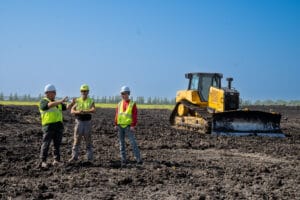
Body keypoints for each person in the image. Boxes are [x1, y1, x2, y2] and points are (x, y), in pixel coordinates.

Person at [39, 84, 74, 168]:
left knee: (57, 145)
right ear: (47, 93)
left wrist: (72, 103)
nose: (54, 94)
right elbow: (48, 105)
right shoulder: (43, 101)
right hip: (48, 126)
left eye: (54, 92)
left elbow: (66, 107)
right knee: (46, 144)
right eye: (53, 92)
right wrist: (61, 101)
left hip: (58, 126)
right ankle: (43, 161)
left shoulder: (57, 103)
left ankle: (56, 161)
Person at [114, 86, 142, 166]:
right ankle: (123, 159)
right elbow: (117, 114)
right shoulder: (119, 104)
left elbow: (134, 115)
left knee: (133, 143)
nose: (123, 95)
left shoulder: (132, 104)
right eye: (122, 94)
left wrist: (133, 125)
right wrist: (115, 124)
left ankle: (138, 159)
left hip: (128, 127)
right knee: (121, 144)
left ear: (128, 94)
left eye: (125, 93)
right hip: (120, 126)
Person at [69, 84, 96, 163]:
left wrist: (86, 111)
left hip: (87, 122)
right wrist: (78, 112)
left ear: (88, 92)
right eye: (82, 91)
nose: (83, 92)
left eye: (85, 91)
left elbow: (94, 110)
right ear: (80, 92)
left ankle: (90, 158)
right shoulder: (77, 100)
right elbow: (72, 110)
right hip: (79, 122)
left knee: (88, 140)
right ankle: (74, 157)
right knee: (76, 140)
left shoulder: (90, 100)